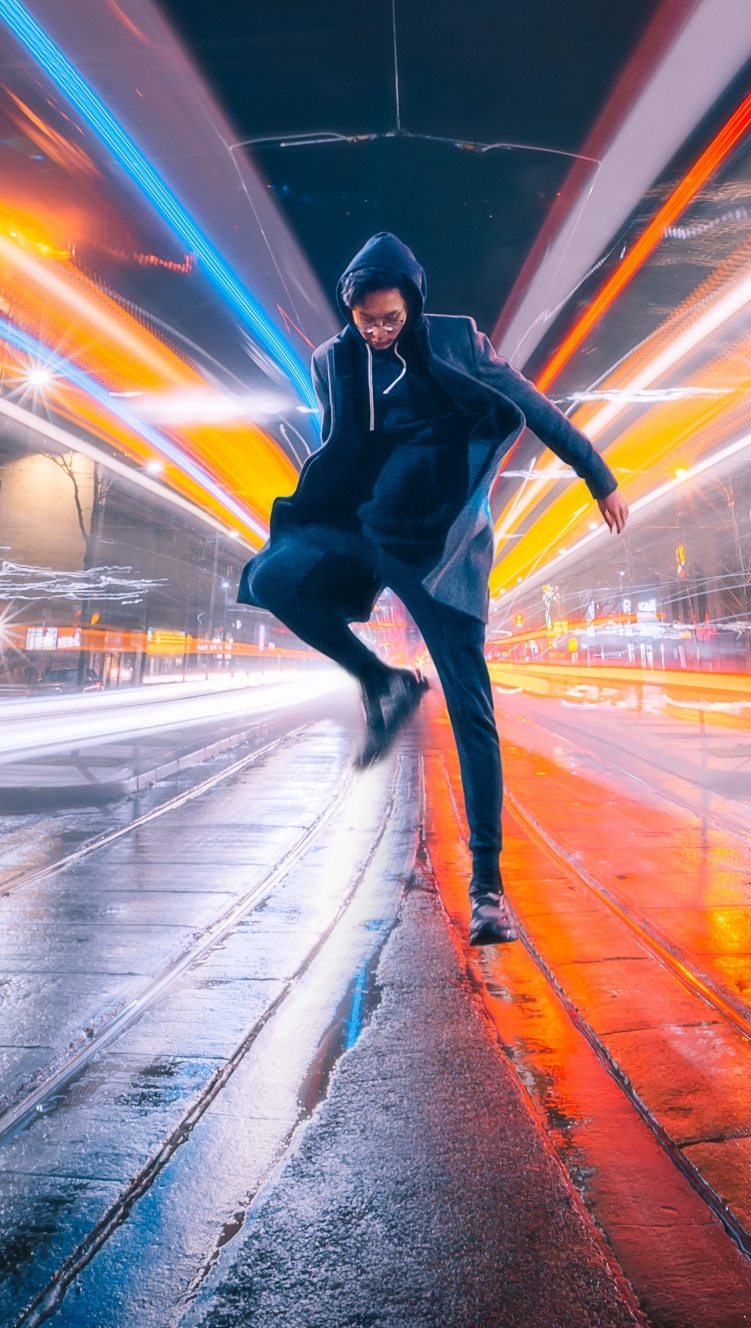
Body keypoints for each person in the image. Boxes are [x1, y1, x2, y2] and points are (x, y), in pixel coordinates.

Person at [239, 233, 628, 944]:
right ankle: (383, 681)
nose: (379, 332)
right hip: (366, 530)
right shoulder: (335, 361)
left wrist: (596, 475)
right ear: (350, 312)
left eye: (390, 319)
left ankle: (488, 887)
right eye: (367, 321)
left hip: (440, 541)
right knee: (272, 576)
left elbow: (532, 406)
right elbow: (340, 448)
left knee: (471, 704)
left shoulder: (455, 342)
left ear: (412, 305)